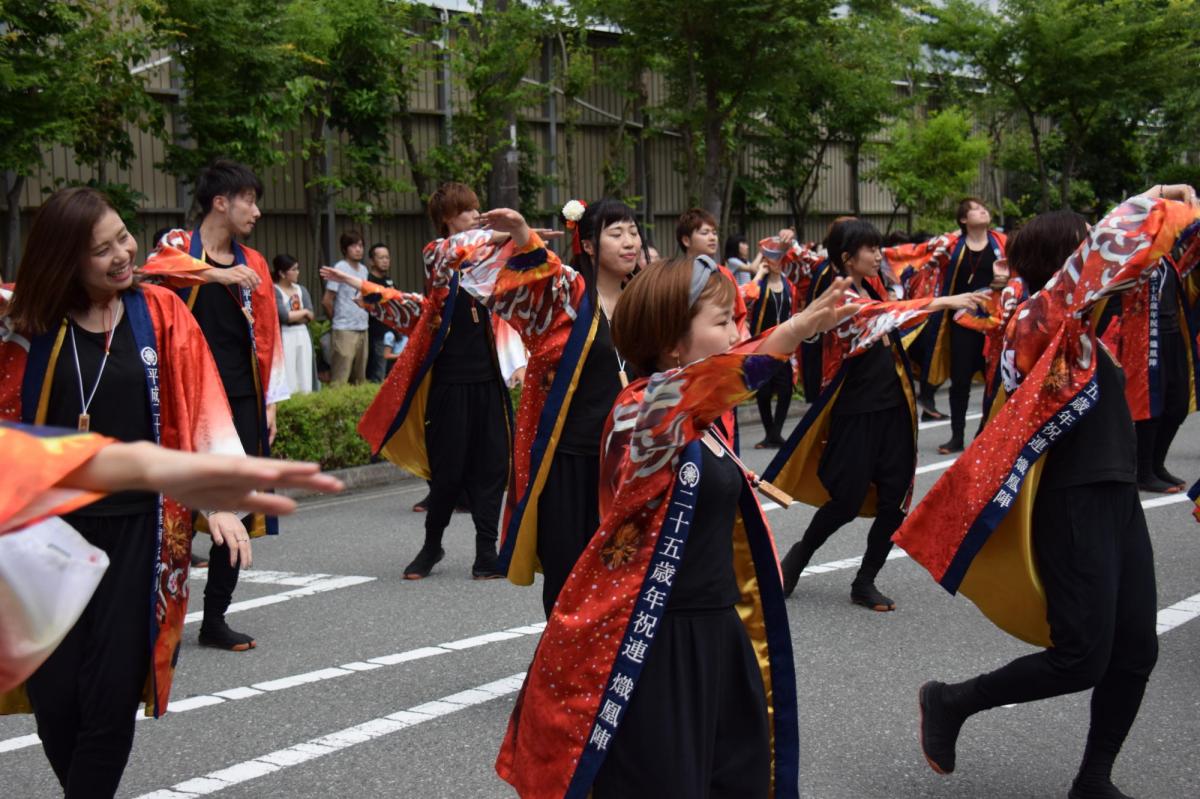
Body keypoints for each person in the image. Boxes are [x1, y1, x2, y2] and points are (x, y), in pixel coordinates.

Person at [495, 251, 859, 799]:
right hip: (659, 642)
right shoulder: (641, 409)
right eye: (722, 322)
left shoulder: (698, 417)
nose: (738, 330)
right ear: (671, 342)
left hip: (719, 632)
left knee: (735, 782)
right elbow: (717, 381)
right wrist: (796, 330)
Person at [895, 185, 1199, 799]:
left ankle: (1093, 779)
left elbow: (1161, 264)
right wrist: (1155, 195)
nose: (1101, 256)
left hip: (1115, 495)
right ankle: (951, 701)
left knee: (1136, 650)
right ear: (1067, 261)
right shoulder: (1036, 320)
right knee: (1081, 656)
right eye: (1086, 245)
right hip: (1071, 500)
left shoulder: (1081, 324)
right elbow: (1109, 254)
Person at [0, 186, 257, 796]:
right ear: (65, 260)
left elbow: (200, 404)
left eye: (123, 236)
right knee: (57, 697)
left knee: (112, 695)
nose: (123, 253)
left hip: (138, 534)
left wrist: (219, 502)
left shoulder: (158, 313)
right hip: (44, 540)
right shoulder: (25, 328)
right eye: (101, 250)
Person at [765, 220, 987, 611]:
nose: (877, 254)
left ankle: (865, 581)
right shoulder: (841, 296)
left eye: (877, 247)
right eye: (869, 249)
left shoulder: (875, 284)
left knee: (895, 502)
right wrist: (944, 301)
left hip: (896, 409)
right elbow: (886, 314)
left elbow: (906, 273)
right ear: (847, 258)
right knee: (846, 501)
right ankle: (797, 557)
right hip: (858, 409)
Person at [321, 182, 509, 580]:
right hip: (449, 383)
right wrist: (367, 291)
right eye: (467, 211)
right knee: (448, 470)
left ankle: (486, 552)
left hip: (489, 380)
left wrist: (521, 239)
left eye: (477, 209)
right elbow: (439, 279)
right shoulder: (437, 255)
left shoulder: (492, 263)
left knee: (491, 467)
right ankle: (431, 546)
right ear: (447, 219)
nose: (476, 215)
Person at [142, 159, 290, 652]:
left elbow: (267, 335)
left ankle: (215, 618)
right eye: (248, 199)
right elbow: (153, 271)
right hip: (185, 401)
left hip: (241, 399)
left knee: (238, 507)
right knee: (172, 507)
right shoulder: (180, 247)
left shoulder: (256, 262)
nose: (257, 211)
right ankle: (150, 613)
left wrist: (269, 400)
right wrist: (217, 276)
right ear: (220, 202)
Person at [481, 198, 643, 617]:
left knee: (620, 571)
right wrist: (520, 233)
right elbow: (539, 276)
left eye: (633, 231)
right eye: (616, 232)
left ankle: (604, 670)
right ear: (588, 245)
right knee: (566, 573)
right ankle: (556, 673)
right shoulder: (570, 296)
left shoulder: (645, 299)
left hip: (626, 461)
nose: (630, 242)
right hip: (570, 457)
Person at [882, 199, 1007, 451]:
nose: (983, 210)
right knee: (959, 380)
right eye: (975, 208)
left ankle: (985, 435)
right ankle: (957, 436)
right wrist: (882, 255)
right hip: (960, 323)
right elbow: (916, 256)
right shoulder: (949, 246)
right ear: (963, 219)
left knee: (996, 381)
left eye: (984, 207)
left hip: (995, 324)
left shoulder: (1003, 244)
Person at [742, 250, 800, 448]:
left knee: (785, 389)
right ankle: (770, 434)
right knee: (763, 391)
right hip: (762, 345)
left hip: (784, 344)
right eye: (771, 258)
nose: (775, 262)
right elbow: (747, 298)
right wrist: (758, 273)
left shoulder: (789, 285)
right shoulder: (759, 284)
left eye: (778, 257)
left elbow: (795, 311)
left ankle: (776, 433)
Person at [323, 230, 370, 384]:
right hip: (344, 328)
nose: (358, 249)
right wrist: (337, 320)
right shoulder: (340, 267)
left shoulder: (364, 270)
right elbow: (327, 300)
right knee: (341, 376)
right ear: (344, 249)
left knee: (360, 377)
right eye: (353, 246)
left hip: (363, 326)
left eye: (361, 245)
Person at [273, 254, 316, 395]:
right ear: (282, 273)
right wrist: (303, 313)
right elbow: (284, 316)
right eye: (294, 269)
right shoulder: (275, 290)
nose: (297, 272)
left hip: (302, 332)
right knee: (289, 370)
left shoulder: (301, 289)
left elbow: (311, 314)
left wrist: (299, 315)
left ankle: (307, 399)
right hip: (286, 334)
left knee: (305, 369)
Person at [365, 242, 396, 383]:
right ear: (371, 261)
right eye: (381, 258)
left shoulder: (389, 281)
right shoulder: (368, 282)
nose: (385, 261)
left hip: (393, 333)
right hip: (378, 334)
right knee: (378, 373)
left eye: (387, 258)